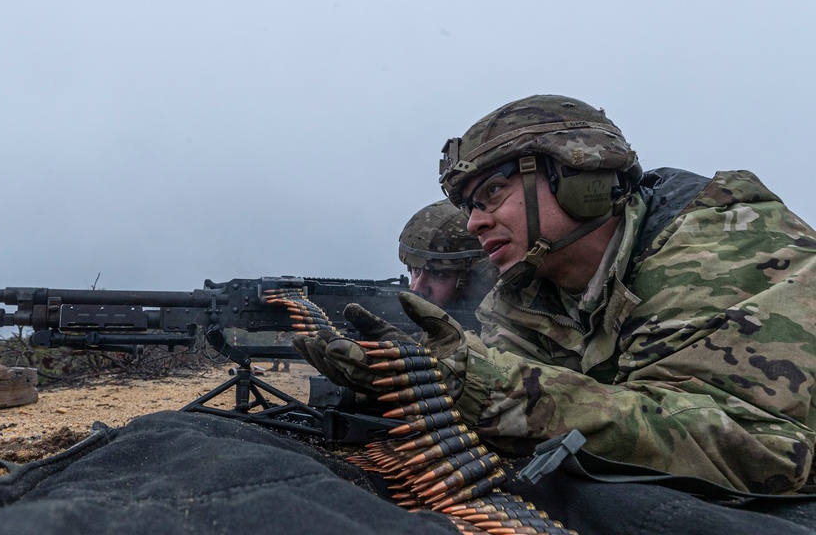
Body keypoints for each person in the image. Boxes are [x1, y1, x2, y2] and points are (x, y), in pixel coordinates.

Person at [296, 94, 816, 495]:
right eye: (469, 206)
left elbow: (761, 453)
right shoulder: (523, 296)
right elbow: (517, 397)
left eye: (491, 193)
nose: (474, 222)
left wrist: (478, 387)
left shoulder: (720, 250)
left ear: (579, 177)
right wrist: (411, 379)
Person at [397, 199, 497, 330]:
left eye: (438, 274)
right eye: (415, 270)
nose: (417, 289)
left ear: (475, 279)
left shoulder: (508, 328)